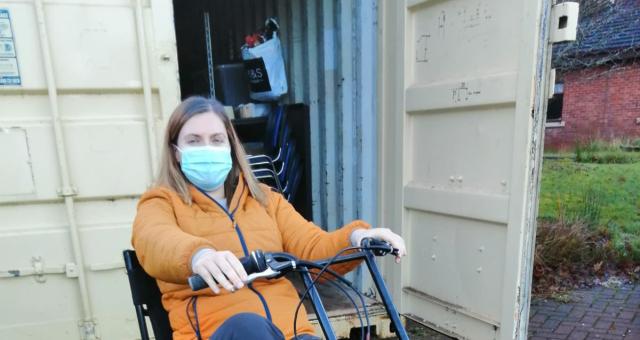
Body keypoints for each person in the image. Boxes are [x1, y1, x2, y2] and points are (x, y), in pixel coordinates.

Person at [131, 96, 407, 340]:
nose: (208, 148)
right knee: (248, 327)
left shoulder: (264, 199)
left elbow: (312, 248)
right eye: (194, 141)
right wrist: (199, 256)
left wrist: (357, 237)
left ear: (230, 146)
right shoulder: (161, 202)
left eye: (217, 140)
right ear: (176, 153)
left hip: (290, 333)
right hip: (221, 333)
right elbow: (154, 240)